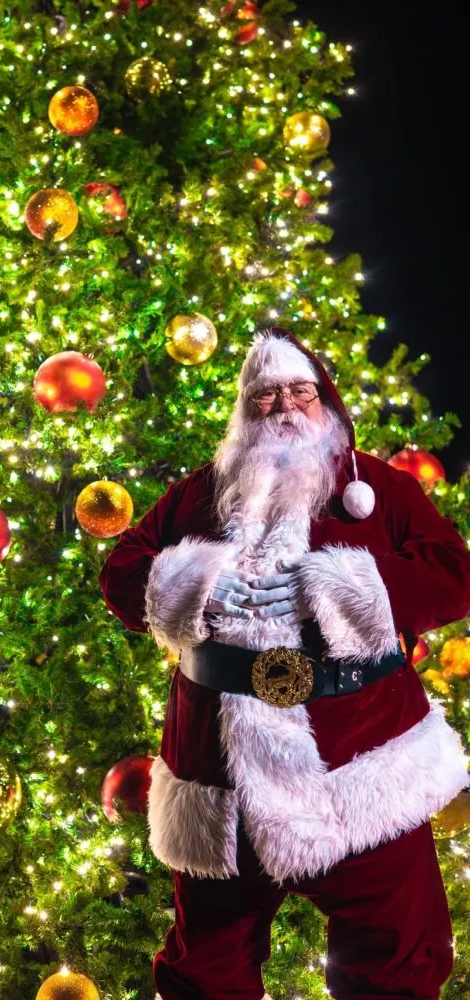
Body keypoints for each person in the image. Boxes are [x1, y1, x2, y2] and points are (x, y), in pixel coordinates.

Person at [99, 329, 470, 1000]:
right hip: (220, 774)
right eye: (266, 394)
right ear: (246, 409)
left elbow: (454, 573)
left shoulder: (376, 489)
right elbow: (122, 571)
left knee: (396, 963)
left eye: (301, 391)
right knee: (204, 972)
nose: (284, 407)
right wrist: (196, 581)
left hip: (361, 768)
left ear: (325, 402)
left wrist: (337, 585)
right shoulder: (200, 495)